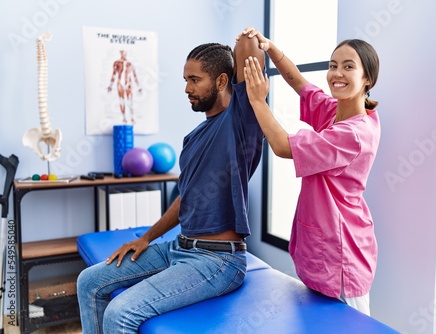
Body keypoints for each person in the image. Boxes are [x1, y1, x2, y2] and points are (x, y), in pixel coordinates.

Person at [78, 33, 265, 333]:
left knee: (120, 312)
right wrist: (146, 238)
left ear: (220, 82)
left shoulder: (241, 121)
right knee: (89, 281)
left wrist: (248, 36)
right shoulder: (193, 138)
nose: (187, 88)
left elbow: (249, 52)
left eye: (194, 79)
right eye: (185, 79)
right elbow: (186, 198)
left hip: (217, 261)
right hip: (178, 248)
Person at [241, 27, 380, 316]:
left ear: (367, 79)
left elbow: (281, 146)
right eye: (333, 66)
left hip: (343, 257)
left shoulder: (353, 134)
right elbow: (299, 83)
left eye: (348, 67)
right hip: (321, 246)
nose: (337, 73)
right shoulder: (335, 110)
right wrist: (271, 49)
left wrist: (257, 100)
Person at [107, 49, 142, 124]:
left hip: (128, 83)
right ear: (120, 53)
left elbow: (134, 75)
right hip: (120, 84)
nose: (123, 54)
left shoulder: (130, 63)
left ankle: (132, 117)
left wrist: (138, 86)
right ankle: (124, 117)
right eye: (122, 53)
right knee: (122, 101)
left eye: (125, 53)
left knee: (130, 101)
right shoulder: (117, 63)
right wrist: (110, 85)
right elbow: (114, 74)